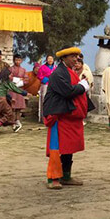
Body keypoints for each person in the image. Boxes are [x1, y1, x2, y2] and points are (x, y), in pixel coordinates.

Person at [42, 47, 94, 189]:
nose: (76, 59)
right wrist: (82, 86)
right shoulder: (58, 73)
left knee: (68, 147)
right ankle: (53, 178)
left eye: (77, 56)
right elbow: (67, 92)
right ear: (64, 58)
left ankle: (66, 176)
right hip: (58, 114)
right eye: (72, 56)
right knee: (56, 147)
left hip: (69, 114)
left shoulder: (70, 72)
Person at [0, 67, 29, 133]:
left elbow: (2, 91)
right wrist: (24, 93)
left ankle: (13, 125)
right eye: (10, 74)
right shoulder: (6, 81)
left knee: (4, 112)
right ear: (6, 75)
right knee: (9, 113)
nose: (11, 76)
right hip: (1, 99)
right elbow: (14, 88)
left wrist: (10, 98)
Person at [9, 54, 29, 126]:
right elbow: (9, 77)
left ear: (21, 61)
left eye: (19, 60)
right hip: (12, 89)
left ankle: (17, 120)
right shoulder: (10, 69)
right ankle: (12, 120)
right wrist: (17, 79)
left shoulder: (23, 70)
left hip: (20, 89)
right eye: (16, 60)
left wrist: (20, 82)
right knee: (13, 106)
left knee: (19, 107)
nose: (17, 61)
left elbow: (26, 79)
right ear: (14, 60)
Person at [37, 55, 56, 122]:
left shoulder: (55, 68)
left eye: (51, 59)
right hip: (45, 85)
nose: (50, 60)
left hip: (53, 85)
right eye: (49, 59)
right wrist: (46, 79)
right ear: (46, 60)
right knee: (44, 100)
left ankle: (52, 118)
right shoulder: (42, 67)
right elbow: (39, 76)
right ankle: (43, 118)